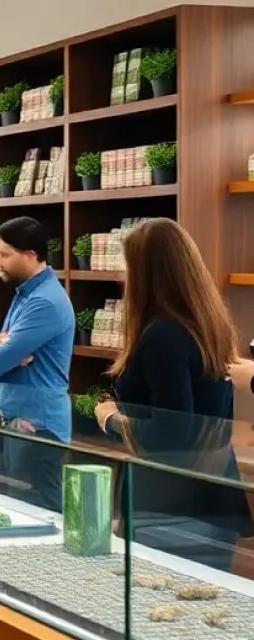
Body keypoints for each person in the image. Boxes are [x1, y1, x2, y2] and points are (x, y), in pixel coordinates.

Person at [94, 218, 250, 570]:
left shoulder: (162, 335)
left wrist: (111, 419)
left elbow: (174, 431)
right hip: (212, 496)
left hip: (168, 504)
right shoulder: (212, 327)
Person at [0, 216, 74, 511]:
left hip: (37, 428)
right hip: (20, 424)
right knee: (22, 509)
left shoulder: (44, 302)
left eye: (4, 254)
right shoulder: (26, 294)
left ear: (30, 255)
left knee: (39, 513)